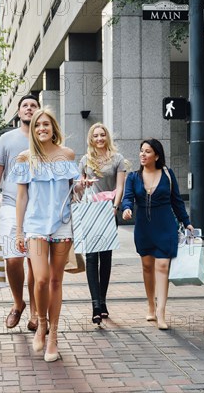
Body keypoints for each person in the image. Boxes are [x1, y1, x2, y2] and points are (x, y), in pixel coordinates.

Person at [9, 107, 79, 362]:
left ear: (53, 128)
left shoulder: (67, 155)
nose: (41, 129)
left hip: (62, 225)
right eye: (38, 125)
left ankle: (54, 336)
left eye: (46, 124)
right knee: (40, 279)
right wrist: (19, 230)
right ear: (33, 129)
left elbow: (74, 192)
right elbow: (21, 196)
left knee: (56, 281)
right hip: (36, 226)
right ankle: (41, 322)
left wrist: (81, 185)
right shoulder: (24, 158)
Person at [0, 94, 41, 331]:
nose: (28, 108)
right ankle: (18, 304)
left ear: (38, 111)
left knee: (35, 264)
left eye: (33, 105)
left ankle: (36, 314)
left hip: (38, 210)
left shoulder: (45, 136)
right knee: (13, 260)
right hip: (9, 206)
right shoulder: (6, 139)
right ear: (18, 112)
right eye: (25, 105)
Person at [121, 138, 194, 330]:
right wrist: (126, 209)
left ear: (157, 155)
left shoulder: (167, 174)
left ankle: (161, 312)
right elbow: (127, 197)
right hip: (144, 228)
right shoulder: (133, 177)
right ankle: (150, 305)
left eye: (147, 152)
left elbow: (177, 201)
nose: (142, 155)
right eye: (141, 151)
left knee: (162, 266)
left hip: (165, 227)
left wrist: (186, 222)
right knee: (147, 267)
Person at [78, 123, 127, 325]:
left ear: (107, 137)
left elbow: (120, 185)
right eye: (95, 135)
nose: (99, 138)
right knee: (91, 258)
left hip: (108, 211)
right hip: (90, 210)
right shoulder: (85, 160)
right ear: (91, 139)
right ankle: (95, 305)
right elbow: (79, 188)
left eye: (102, 135)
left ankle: (103, 301)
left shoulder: (118, 159)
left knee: (105, 258)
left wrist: (115, 208)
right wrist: (83, 185)